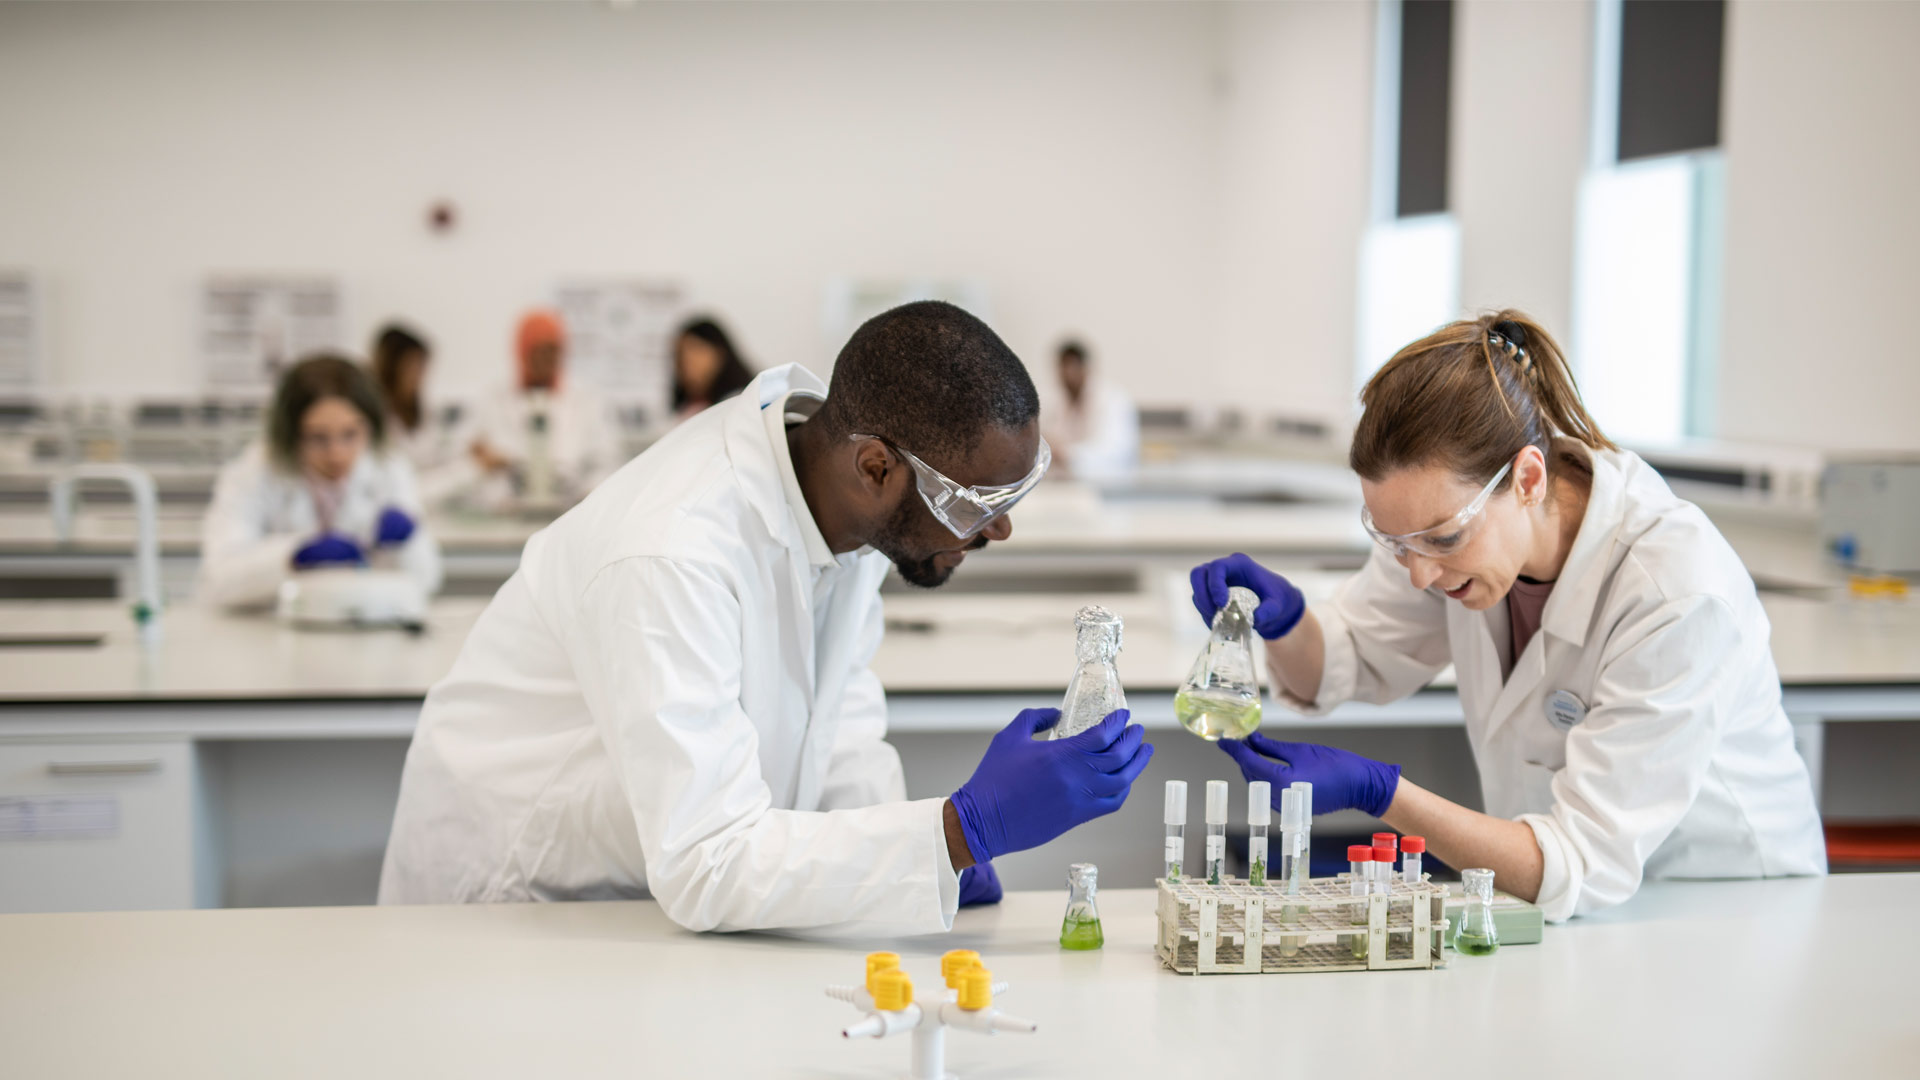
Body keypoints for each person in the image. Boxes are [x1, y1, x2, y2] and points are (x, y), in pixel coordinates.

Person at [380, 301, 1154, 935]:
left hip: (653, 899)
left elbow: (838, 730)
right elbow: (706, 860)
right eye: (976, 505)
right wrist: (956, 830)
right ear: (876, 466)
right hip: (517, 912)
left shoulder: (842, 516)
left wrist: (926, 849)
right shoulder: (676, 550)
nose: (999, 532)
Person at [1191, 311, 1824, 923]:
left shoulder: (1674, 593)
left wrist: (1380, 795)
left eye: (1439, 541)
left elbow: (1582, 857)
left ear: (1527, 477)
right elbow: (1348, 659)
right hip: (1567, 910)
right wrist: (1287, 620)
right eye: (1393, 541)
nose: (1419, 575)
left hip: (1723, 910)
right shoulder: (1438, 528)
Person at [199, 353, 443, 609]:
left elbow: (426, 582)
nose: (336, 454)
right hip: (268, 628)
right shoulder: (255, 472)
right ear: (291, 433)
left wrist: (409, 545)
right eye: (318, 438)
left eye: (350, 434)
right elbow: (219, 579)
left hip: (358, 623)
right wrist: (292, 557)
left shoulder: (388, 470)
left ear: (371, 427)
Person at [466, 310, 621, 510]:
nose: (545, 360)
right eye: (537, 350)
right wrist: (495, 463)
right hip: (508, 514)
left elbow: (606, 460)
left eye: (552, 351)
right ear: (522, 351)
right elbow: (474, 457)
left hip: (571, 511)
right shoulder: (494, 400)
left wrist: (588, 493)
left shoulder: (586, 400)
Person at [369, 323, 470, 507]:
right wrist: (471, 469)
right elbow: (404, 488)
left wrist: (468, 457)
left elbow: (436, 460)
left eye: (422, 368)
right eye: (413, 368)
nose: (420, 377)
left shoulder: (421, 412)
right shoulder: (372, 422)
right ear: (391, 369)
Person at [1039, 338, 1138, 482]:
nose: (1067, 374)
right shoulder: (1055, 400)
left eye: (1072, 367)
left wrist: (1067, 454)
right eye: (1063, 368)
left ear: (1085, 368)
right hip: (1068, 483)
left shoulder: (1113, 399)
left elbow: (1115, 450)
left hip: (1111, 485)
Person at [671, 316, 755, 421]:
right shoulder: (686, 409)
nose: (686, 365)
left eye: (696, 353)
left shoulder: (742, 401)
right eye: (680, 355)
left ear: (720, 353)